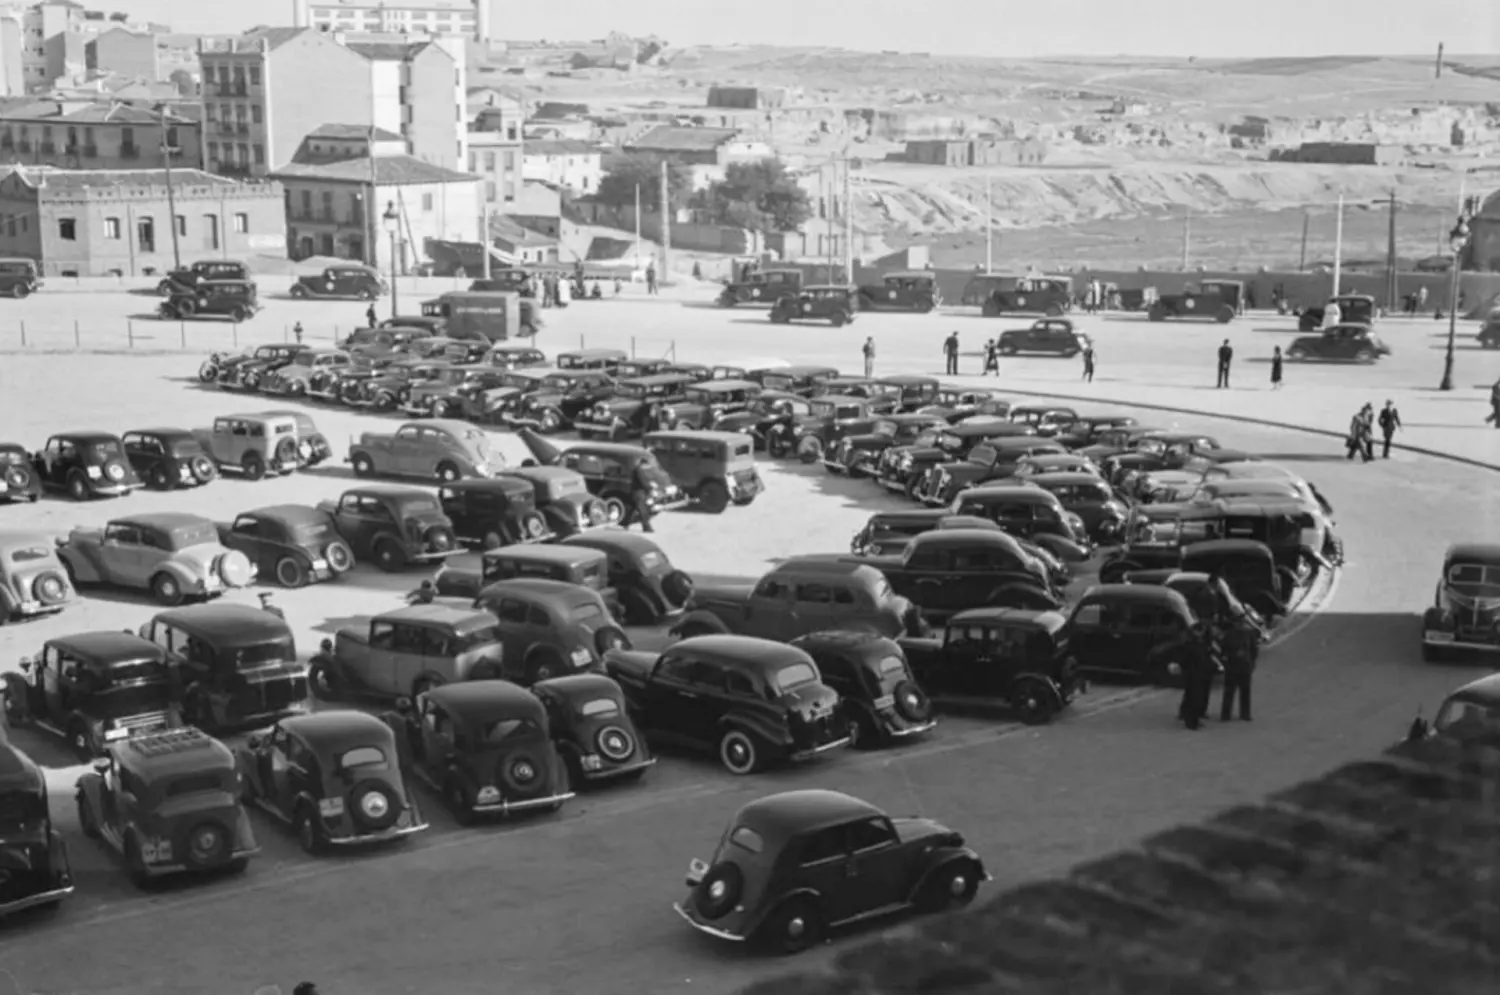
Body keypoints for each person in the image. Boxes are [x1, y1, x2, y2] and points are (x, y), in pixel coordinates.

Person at [1218, 628, 1255, 722]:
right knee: (1229, 691)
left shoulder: (1248, 635)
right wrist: (1227, 661)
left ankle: (1244, 713)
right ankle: (1226, 714)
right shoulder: (1229, 636)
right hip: (1233, 667)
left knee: (1244, 691)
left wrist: (1251, 663)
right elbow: (1223, 651)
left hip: (1243, 667)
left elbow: (1253, 650)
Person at [629, 463, 656, 533]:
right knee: (643, 511)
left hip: (637, 492)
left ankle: (625, 523)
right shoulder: (639, 470)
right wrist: (650, 487)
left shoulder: (637, 470)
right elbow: (643, 482)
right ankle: (647, 527)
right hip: (639, 493)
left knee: (637, 509)